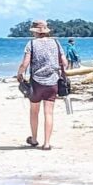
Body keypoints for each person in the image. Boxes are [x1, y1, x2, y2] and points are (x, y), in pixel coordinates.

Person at [15, 19, 68, 149]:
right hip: (53, 81)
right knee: (49, 113)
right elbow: (65, 62)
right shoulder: (56, 43)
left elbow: (25, 63)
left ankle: (33, 139)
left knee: (34, 111)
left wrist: (20, 74)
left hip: (36, 82)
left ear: (35, 32)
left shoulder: (31, 44)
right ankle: (47, 143)